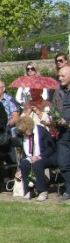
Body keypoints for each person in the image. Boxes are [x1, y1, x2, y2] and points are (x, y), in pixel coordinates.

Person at [15, 116, 56, 201]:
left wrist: (39, 157)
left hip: (47, 156)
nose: (23, 134)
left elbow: (50, 149)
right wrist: (19, 169)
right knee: (24, 164)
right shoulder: (24, 136)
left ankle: (42, 191)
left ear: (29, 127)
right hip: (32, 157)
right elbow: (24, 153)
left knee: (37, 164)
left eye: (24, 131)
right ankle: (30, 190)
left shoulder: (42, 131)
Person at [51, 64, 70, 202]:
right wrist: (55, 119)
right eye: (59, 75)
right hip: (63, 133)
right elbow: (54, 109)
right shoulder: (58, 91)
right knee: (62, 162)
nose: (60, 77)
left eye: (63, 75)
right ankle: (69, 190)